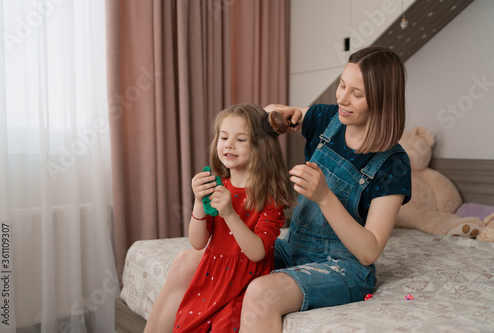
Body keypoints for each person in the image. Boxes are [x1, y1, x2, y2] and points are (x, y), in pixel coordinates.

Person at [144, 46, 412, 332]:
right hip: (294, 248)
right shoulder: (327, 119)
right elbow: (269, 114)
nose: (342, 99)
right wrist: (279, 115)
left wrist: (324, 198)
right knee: (187, 261)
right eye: (342, 85)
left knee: (261, 292)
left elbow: (369, 251)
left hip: (343, 267)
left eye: (356, 94)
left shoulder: (393, 164)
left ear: (382, 100)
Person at [144, 104, 296, 333]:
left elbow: (257, 252)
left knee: (223, 326)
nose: (229, 144)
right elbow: (197, 243)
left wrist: (229, 214)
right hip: (211, 279)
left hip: (244, 286)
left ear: (261, 147)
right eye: (223, 137)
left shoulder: (270, 197)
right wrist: (198, 202)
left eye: (241, 139)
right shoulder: (219, 186)